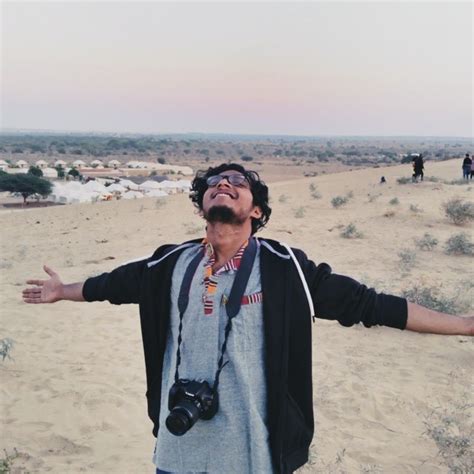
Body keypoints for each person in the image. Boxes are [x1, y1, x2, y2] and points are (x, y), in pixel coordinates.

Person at [23, 163, 473, 474]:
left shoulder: (284, 269)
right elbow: (113, 285)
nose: (224, 182)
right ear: (202, 205)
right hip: (178, 448)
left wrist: (466, 324)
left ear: (256, 211)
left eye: (238, 181)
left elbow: (370, 305)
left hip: (253, 455)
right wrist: (62, 291)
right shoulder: (170, 264)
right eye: (214, 181)